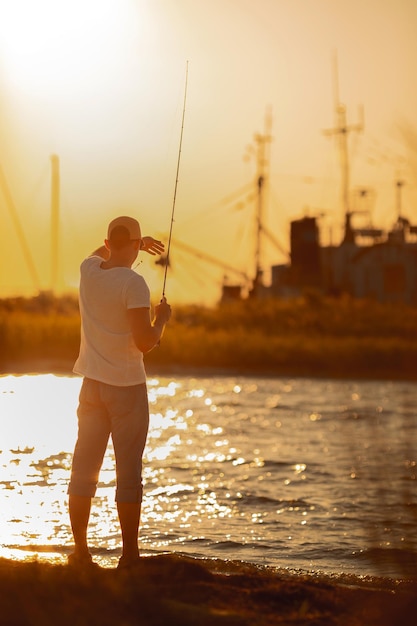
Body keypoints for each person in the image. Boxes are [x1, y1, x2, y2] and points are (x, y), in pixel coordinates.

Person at [67, 215, 171, 570]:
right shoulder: (134, 283)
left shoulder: (88, 270)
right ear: (137, 243)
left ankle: (80, 553)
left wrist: (127, 244)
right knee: (128, 473)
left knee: (83, 470)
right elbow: (144, 342)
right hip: (126, 389)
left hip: (91, 387)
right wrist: (162, 320)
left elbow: (98, 253)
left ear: (108, 242)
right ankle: (129, 557)